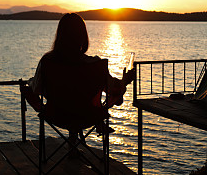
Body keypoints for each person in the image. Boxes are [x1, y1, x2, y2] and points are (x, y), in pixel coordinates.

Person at [27, 13, 135, 143]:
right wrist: (125, 81)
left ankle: (71, 148)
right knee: (112, 97)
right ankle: (94, 131)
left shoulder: (48, 62)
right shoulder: (95, 65)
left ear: (60, 36)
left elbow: (36, 90)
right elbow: (113, 90)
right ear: (83, 37)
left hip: (57, 115)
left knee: (27, 90)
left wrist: (30, 83)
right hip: (88, 117)